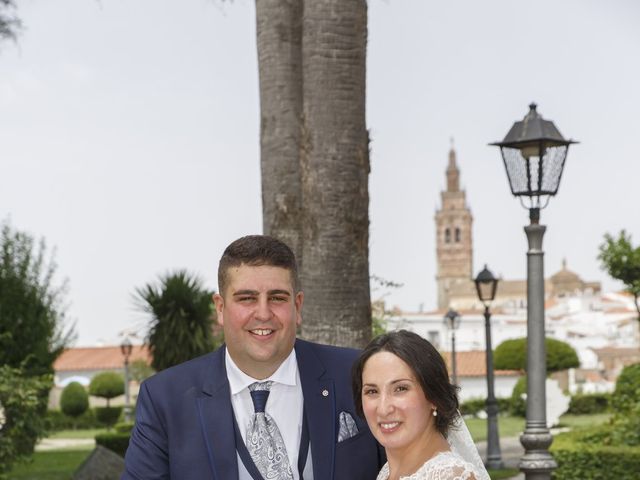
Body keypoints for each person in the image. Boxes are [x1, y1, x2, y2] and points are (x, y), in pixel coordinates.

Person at [123, 235, 384, 480]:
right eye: (247, 298)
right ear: (221, 308)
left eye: (277, 298)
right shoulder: (164, 399)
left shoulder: (357, 374)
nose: (263, 313)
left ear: (297, 306)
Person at [351, 330, 490, 480]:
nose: (384, 409)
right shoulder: (388, 473)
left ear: (433, 396)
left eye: (401, 389)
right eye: (372, 391)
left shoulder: (451, 477)